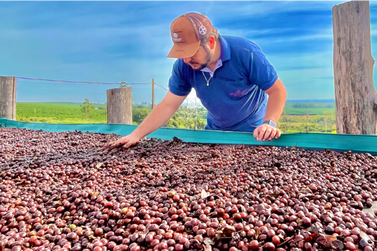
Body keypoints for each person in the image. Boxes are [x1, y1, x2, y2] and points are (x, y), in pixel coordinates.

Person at [109, 12, 287, 149]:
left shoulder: (245, 53)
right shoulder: (184, 65)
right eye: (182, 52)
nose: (186, 59)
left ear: (210, 41)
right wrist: (137, 135)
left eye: (191, 51)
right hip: (214, 133)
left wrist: (269, 124)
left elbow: (277, 90)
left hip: (253, 132)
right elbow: (168, 104)